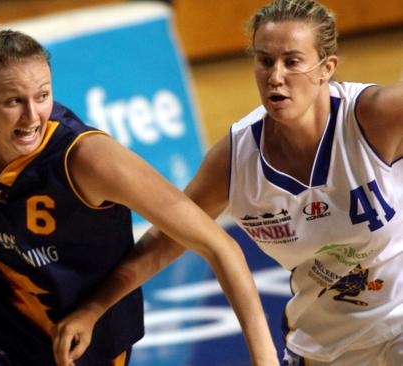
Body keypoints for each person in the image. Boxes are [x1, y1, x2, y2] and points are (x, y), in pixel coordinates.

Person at [0, 17, 278, 366]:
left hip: (87, 335)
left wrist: (264, 359)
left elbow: (221, 247)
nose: (32, 115)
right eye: (13, 101)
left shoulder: (87, 159)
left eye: (42, 96)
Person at [53, 0, 403, 365]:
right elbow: (165, 241)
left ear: (325, 68)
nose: (275, 76)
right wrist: (93, 308)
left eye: (292, 61)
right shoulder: (236, 161)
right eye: (265, 60)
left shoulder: (374, 117)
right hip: (327, 341)